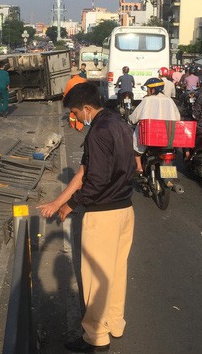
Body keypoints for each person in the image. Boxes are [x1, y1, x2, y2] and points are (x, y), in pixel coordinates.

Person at [37, 82, 135, 353]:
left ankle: (95, 336)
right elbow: (83, 172)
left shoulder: (99, 132)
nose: (76, 119)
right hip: (125, 210)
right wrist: (58, 201)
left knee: (93, 277)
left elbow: (96, 181)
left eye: (76, 114)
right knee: (115, 273)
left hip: (103, 214)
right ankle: (114, 323)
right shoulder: (118, 123)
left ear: (87, 108)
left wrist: (73, 205)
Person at [129, 77, 181, 173]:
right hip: (167, 136)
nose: (147, 91)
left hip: (150, 135)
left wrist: (130, 120)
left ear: (153, 90)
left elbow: (135, 117)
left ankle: (139, 167)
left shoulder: (147, 100)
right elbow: (178, 118)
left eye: (148, 89)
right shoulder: (169, 100)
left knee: (136, 144)